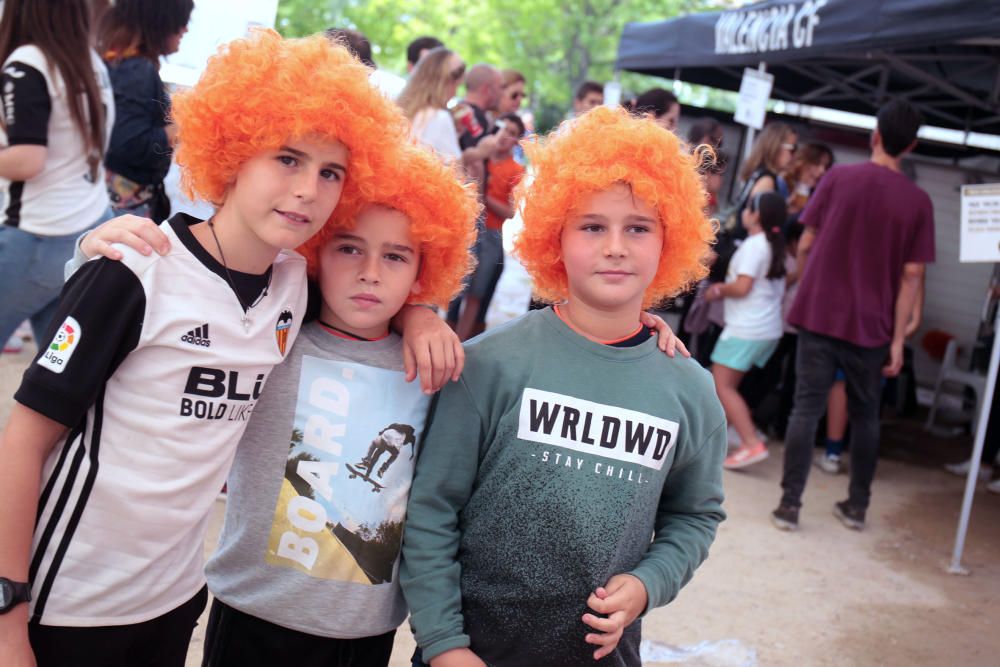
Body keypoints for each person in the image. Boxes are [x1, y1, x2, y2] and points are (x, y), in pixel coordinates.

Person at [0, 30, 454, 667]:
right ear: (234, 148)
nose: (307, 190)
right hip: (65, 600)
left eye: (331, 173)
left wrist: (422, 314)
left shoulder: (294, 284)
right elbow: (22, 441)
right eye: (287, 158)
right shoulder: (134, 272)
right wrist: (6, 612)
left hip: (175, 603)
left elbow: (373, 280)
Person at [400, 106, 725, 667]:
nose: (616, 246)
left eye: (639, 227)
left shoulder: (690, 391)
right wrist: (444, 643)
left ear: (670, 240)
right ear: (554, 234)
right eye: (593, 226)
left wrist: (649, 583)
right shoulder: (487, 366)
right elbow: (431, 511)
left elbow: (695, 515)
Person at [195, 143, 479, 667]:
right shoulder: (269, 333)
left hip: (362, 632)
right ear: (315, 249)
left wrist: (419, 316)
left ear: (423, 270)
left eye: (396, 256)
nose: (371, 272)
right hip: (250, 613)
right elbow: (185, 285)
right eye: (349, 248)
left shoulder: (433, 364)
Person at [773, 99, 935, 532]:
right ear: (911, 145)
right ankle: (857, 506)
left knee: (805, 410)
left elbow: (805, 243)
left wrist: (809, 289)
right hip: (874, 326)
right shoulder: (918, 202)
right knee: (866, 416)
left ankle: (790, 505)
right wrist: (899, 340)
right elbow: (913, 275)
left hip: (819, 315)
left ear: (875, 135)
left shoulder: (838, 178)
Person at [0, 0, 115, 354]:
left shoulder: (27, 65)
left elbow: (28, 159)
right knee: (53, 370)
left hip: (35, 236)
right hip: (85, 227)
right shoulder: (89, 61)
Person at [705, 192, 787, 469]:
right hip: (765, 328)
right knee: (731, 386)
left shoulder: (754, 246)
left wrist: (718, 290)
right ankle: (715, 440)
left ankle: (751, 443)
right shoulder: (772, 245)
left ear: (755, 215)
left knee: (722, 386)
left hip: (746, 328)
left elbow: (742, 287)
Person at [99, 0, 193, 222]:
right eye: (182, 21)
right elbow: (131, 144)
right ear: (161, 21)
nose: (185, 29)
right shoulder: (137, 70)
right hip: (124, 209)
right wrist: (182, 128)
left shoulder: (118, 60)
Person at [397, 47, 466, 163]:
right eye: (457, 86)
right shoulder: (439, 117)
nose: (455, 93)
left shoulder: (400, 107)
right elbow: (457, 173)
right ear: (448, 82)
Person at [783, 142, 833, 217]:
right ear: (802, 162)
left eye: (826, 167)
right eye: (817, 164)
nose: (822, 171)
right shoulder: (782, 183)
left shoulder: (819, 197)